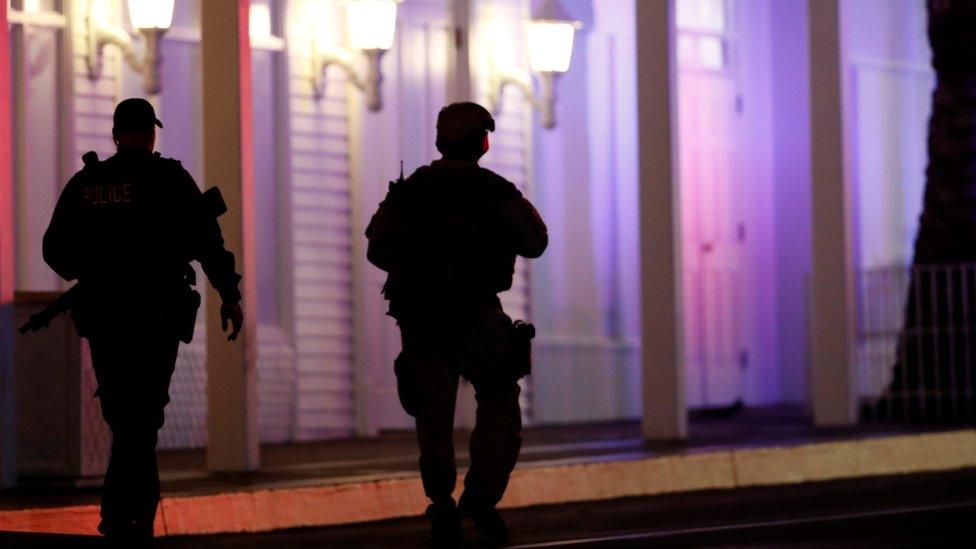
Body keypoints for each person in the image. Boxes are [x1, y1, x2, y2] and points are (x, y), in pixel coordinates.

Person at [42, 98, 244, 544]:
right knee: (142, 420)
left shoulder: (88, 184)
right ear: (150, 133)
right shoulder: (170, 179)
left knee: (126, 418)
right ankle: (131, 521)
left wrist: (94, 271)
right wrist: (229, 295)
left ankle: (122, 520)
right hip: (155, 315)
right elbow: (210, 243)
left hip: (107, 316)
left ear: (116, 134)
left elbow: (55, 249)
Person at [365, 102, 548, 546]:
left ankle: (441, 503)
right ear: (482, 142)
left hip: (422, 317)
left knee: (433, 414)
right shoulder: (494, 190)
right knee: (500, 402)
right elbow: (535, 242)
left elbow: (377, 250)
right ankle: (481, 500)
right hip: (477, 315)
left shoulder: (411, 190)